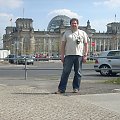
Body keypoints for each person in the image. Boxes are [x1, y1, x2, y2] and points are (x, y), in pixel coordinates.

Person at [55, 18, 89, 94]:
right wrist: (62, 55)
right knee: (65, 72)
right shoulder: (66, 33)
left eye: (75, 23)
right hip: (68, 55)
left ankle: (76, 88)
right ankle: (61, 89)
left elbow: (86, 44)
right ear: (70, 24)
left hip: (79, 55)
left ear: (78, 24)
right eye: (72, 23)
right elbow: (63, 45)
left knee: (78, 73)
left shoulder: (83, 33)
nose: (74, 24)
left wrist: (85, 55)